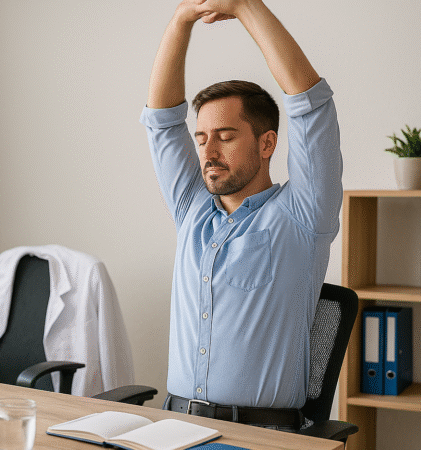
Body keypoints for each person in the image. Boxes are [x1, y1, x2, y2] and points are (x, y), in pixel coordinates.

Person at [140, 0, 342, 431]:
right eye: (202, 139)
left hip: (260, 435)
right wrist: (181, 20)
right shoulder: (193, 210)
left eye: (226, 137)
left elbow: (312, 105)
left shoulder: (303, 215)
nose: (209, 153)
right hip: (175, 427)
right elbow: (161, 122)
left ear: (267, 144)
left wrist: (245, 6)